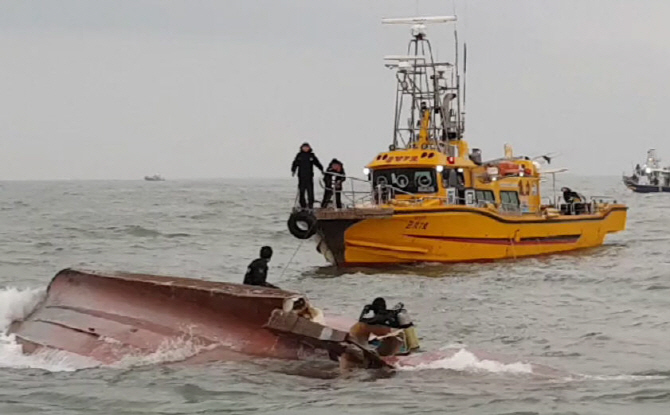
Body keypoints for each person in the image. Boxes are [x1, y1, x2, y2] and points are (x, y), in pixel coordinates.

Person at [291, 142, 324, 209]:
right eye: (304, 147)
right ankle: (302, 203)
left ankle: (310, 203)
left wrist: (321, 169)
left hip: (309, 175)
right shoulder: (299, 155)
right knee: (302, 190)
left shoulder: (311, 155)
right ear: (302, 148)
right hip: (301, 175)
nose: (305, 149)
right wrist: (293, 170)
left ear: (309, 148)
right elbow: (295, 163)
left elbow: (317, 163)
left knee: (310, 190)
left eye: (307, 147)